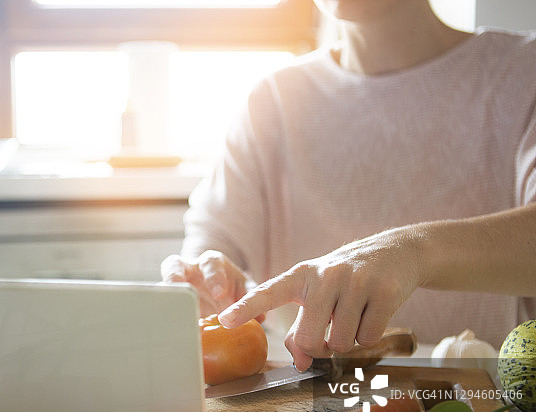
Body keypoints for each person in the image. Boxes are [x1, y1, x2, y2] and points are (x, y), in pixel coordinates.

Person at [162, 0, 536, 372]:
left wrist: (412, 254)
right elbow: (211, 248)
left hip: (486, 409)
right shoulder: (271, 100)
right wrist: (209, 283)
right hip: (309, 406)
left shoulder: (524, 69)